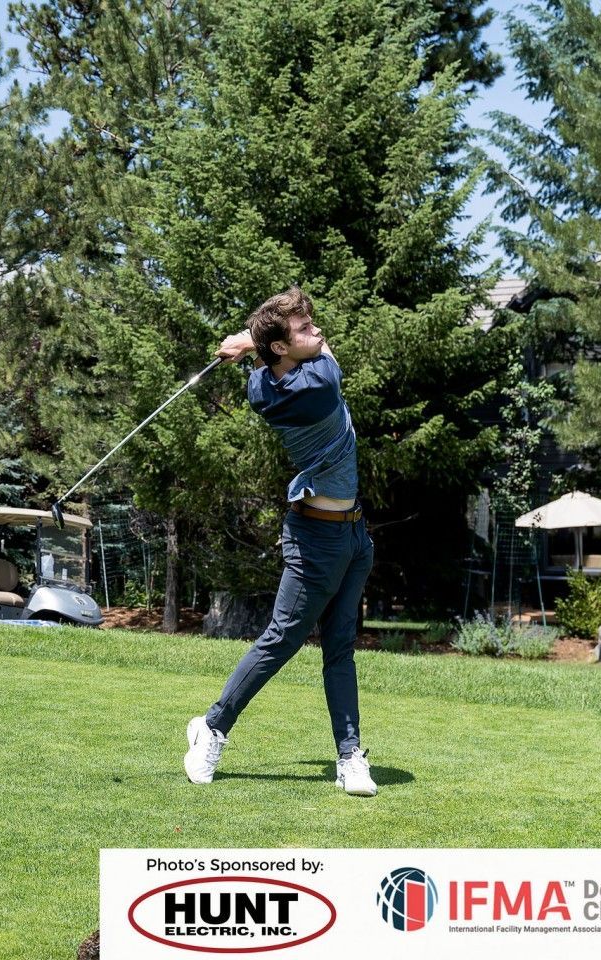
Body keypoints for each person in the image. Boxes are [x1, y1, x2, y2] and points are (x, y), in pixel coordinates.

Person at [183, 287, 378, 796]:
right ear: (281, 348)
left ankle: (349, 755)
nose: (318, 332)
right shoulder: (318, 384)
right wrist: (250, 339)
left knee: (340, 648)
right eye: (304, 329)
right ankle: (213, 727)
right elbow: (325, 357)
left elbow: (278, 357)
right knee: (282, 639)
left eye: (312, 324)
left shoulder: (262, 385)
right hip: (314, 538)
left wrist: (251, 342)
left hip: (354, 534)